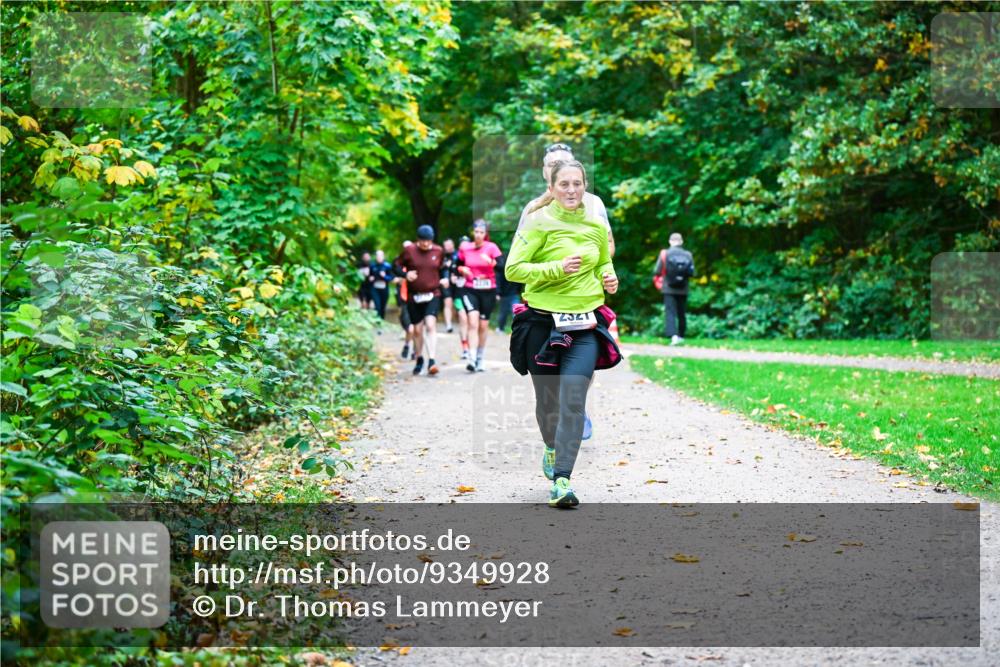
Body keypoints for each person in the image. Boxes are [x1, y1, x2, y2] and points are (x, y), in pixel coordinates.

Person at [506, 159, 621, 508]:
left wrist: (609, 277)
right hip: (542, 324)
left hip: (584, 324)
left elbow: (603, 261)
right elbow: (513, 269)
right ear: (552, 188)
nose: (571, 190)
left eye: (577, 183)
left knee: (574, 399)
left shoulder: (596, 224)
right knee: (548, 404)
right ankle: (552, 448)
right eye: (564, 185)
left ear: (585, 184)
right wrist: (556, 267)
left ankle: (563, 481)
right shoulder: (538, 221)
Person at [518, 142, 616, 441]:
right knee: (549, 364)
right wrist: (554, 268)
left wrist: (603, 272)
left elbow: (607, 245)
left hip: (584, 295)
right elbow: (521, 258)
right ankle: (557, 415)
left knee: (585, 354)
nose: (557, 166)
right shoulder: (534, 209)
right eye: (551, 164)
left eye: (563, 161)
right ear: (546, 173)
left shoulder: (594, 204)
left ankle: (577, 406)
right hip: (547, 297)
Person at [395, 225, 448, 376]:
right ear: (418, 240)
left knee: (431, 325)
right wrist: (405, 275)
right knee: (417, 330)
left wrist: (444, 278)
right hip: (414, 296)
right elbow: (396, 266)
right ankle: (419, 359)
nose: (426, 244)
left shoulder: (438, 251)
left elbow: (443, 267)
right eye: (423, 241)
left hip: (433, 294)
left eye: (429, 241)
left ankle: (432, 360)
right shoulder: (409, 251)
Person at [457, 220, 503, 372]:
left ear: (485, 234)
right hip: (470, 289)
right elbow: (456, 265)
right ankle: (471, 357)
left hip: (488, 290)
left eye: (481, 232)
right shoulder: (465, 248)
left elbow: (503, 267)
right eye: (476, 232)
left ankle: (480, 357)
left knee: (483, 326)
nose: (478, 235)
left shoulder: (492, 248)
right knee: (472, 322)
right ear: (473, 233)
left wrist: (491, 262)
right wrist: (462, 269)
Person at [654, 232, 695, 345]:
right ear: (681, 242)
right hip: (683, 288)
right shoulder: (688, 254)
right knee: (682, 312)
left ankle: (673, 336)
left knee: (670, 312)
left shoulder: (665, 253)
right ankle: (681, 335)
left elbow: (657, 270)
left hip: (668, 288)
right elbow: (692, 272)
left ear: (670, 242)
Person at [394, 241, 416, 359]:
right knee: (410, 329)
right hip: (404, 299)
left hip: (418, 298)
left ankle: (414, 350)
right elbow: (393, 273)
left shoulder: (418, 261)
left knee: (417, 328)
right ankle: (407, 345)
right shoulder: (399, 262)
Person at [494, 254, 522, 333]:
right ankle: (500, 328)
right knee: (503, 312)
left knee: (515, 312)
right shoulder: (502, 269)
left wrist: (518, 292)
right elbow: (498, 281)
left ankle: (517, 329)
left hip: (514, 294)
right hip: (504, 294)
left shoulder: (516, 270)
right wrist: (498, 293)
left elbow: (520, 282)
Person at [441, 238, 459, 334]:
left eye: (449, 245)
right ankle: (449, 325)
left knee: (455, 304)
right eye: (446, 245)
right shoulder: (441, 256)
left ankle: (457, 321)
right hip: (445, 283)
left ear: (453, 245)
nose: (447, 247)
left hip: (457, 284)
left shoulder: (459, 254)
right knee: (447, 303)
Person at [368, 249, 393, 320]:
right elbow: (369, 277)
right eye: (377, 255)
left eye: (380, 255)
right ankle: (377, 320)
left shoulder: (387, 266)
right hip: (375, 288)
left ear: (383, 256)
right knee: (377, 306)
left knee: (382, 306)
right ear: (375, 256)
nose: (379, 257)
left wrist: (384, 276)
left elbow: (391, 278)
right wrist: (371, 278)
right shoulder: (372, 266)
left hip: (384, 289)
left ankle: (382, 319)